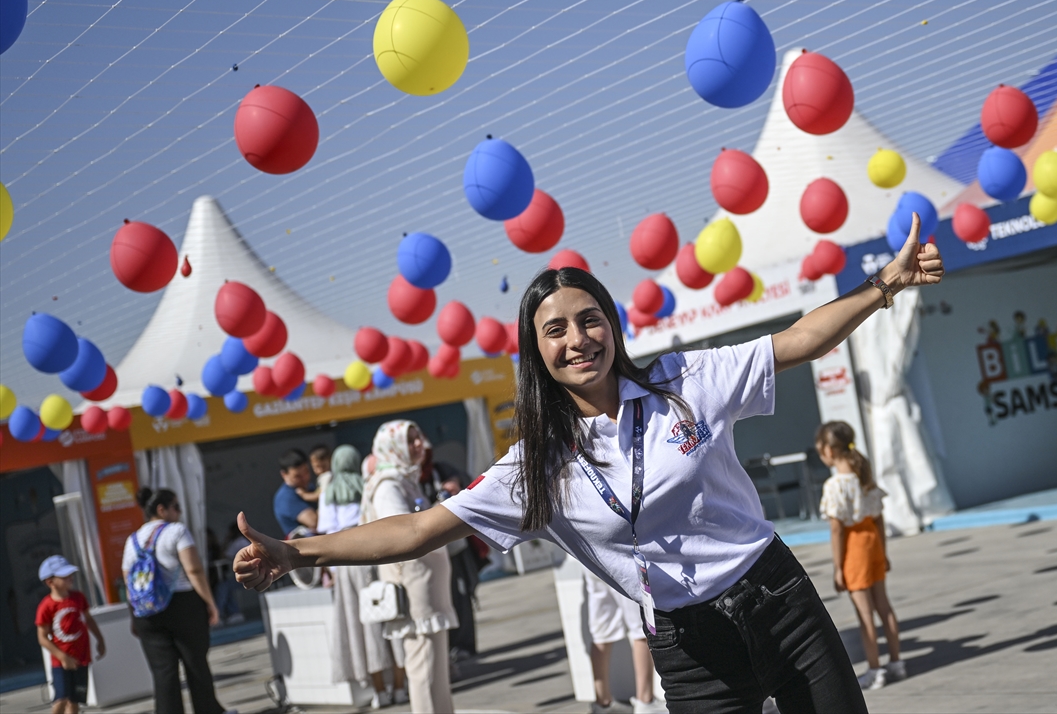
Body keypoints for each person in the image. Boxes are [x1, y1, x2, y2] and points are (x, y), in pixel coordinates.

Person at [234, 214, 943, 713]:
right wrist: (299, 551)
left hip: (779, 600)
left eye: (590, 319)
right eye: (556, 329)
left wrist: (884, 284)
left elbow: (798, 341)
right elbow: (417, 530)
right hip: (689, 646)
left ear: (611, 324)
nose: (578, 338)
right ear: (536, 352)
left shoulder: (681, 381)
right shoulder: (533, 468)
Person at [360, 421, 458, 714]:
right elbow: (402, 534)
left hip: (427, 588)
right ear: (392, 447)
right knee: (424, 668)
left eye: (419, 438)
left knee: (435, 669)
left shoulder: (405, 478)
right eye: (410, 440)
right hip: (415, 591)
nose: (420, 444)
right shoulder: (388, 485)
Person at [123, 488, 233, 714]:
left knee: (163, 670)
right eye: (176, 507)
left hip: (146, 611)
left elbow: (128, 583)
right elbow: (194, 570)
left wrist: (133, 615)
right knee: (195, 663)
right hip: (183, 604)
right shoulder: (176, 531)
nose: (179, 512)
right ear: (161, 510)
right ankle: (208, 710)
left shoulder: (132, 541)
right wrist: (210, 602)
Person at [814, 422, 904, 691]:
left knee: (865, 615)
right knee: (884, 607)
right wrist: (883, 553)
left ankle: (875, 671)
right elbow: (879, 519)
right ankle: (896, 662)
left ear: (829, 451)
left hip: (854, 551)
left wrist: (838, 567)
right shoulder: (865, 478)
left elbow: (836, 530)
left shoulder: (835, 486)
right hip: (873, 545)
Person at [319, 445, 409, 709]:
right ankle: (400, 687)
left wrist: (332, 572)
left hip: (347, 560)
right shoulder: (369, 485)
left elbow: (328, 533)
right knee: (393, 617)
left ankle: (379, 691)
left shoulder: (329, 492)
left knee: (362, 627)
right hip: (377, 553)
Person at [418, 448, 480, 661]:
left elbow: (466, 480)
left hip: (454, 548)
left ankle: (463, 645)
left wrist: (455, 483)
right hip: (428, 554)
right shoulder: (406, 480)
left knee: (460, 595)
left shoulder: (440, 470)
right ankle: (448, 648)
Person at [584, 568, 666, 714]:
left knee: (601, 633)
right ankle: (645, 701)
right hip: (620, 563)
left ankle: (602, 702)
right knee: (641, 629)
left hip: (592, 563)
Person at [35, 555, 106, 714]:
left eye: (70, 574)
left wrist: (100, 639)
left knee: (75, 700)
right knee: (61, 699)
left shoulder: (78, 598)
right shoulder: (46, 606)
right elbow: (42, 637)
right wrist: (62, 657)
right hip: (61, 663)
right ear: (50, 582)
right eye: (64, 576)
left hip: (81, 658)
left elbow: (88, 619)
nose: (70, 578)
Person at [274, 448, 317, 536]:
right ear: (284, 475)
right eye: (297, 476)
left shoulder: (310, 487)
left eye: (306, 471)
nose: (305, 478)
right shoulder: (285, 497)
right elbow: (314, 521)